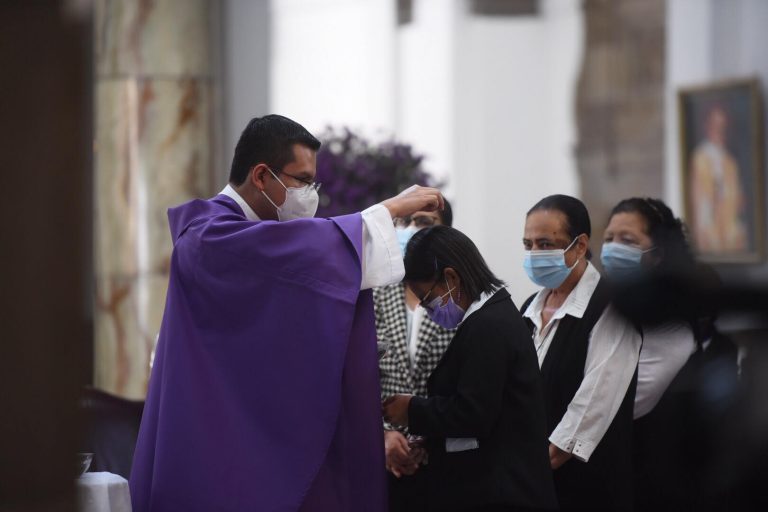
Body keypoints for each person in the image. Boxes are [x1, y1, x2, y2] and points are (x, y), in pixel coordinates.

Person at [129, 114, 445, 512]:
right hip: (212, 446)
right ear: (261, 175)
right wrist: (388, 209)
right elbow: (289, 255)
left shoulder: (243, 237)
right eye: (301, 180)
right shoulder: (209, 238)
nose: (310, 194)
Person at [382, 226, 558, 512]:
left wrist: (412, 410)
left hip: (503, 493)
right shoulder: (486, 318)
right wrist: (430, 443)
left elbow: (473, 413)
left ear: (451, 277)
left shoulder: (488, 326)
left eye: (427, 299)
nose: (428, 310)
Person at [601, 197, 740, 511]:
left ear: (658, 253)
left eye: (627, 240)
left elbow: (624, 404)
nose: (612, 248)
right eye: (609, 238)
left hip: (648, 481)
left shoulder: (672, 325)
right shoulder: (607, 304)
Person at [519, 194, 641, 511]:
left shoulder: (612, 309)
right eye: (528, 244)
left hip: (584, 486)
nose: (534, 254)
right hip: (529, 482)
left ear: (580, 245)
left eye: (545, 244)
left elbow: (591, 407)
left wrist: (531, 469)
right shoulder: (527, 310)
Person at [376, 200, 455, 512]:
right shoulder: (373, 293)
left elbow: (471, 386)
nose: (410, 230)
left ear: (446, 232)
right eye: (402, 221)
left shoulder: (463, 299)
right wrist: (382, 434)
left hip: (447, 462)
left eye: (423, 221)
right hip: (382, 458)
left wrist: (425, 439)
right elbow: (354, 376)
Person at [689, 104, 748, 252]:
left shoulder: (730, 161)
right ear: (707, 126)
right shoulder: (700, 158)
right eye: (715, 125)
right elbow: (698, 200)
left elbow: (739, 200)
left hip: (730, 228)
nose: (719, 131)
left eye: (723, 126)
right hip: (710, 228)